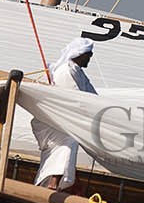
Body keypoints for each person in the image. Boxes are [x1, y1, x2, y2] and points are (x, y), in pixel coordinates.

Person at [31, 37, 98, 192]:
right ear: (80, 54)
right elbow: (73, 97)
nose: (90, 58)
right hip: (53, 120)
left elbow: (91, 95)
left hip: (64, 120)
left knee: (67, 143)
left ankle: (48, 183)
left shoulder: (78, 72)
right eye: (89, 54)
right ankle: (53, 183)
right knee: (68, 141)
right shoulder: (66, 70)